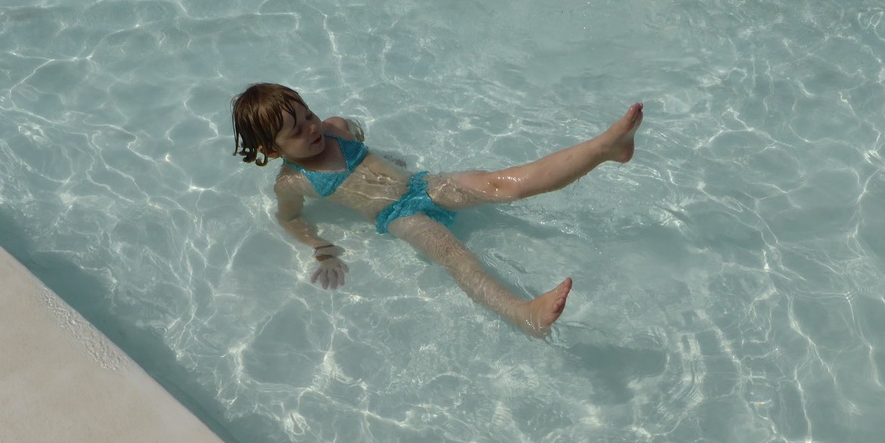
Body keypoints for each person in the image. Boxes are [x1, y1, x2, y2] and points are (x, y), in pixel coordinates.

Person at [230, 83, 642, 337]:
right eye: (296, 130)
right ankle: (523, 314)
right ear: (272, 150)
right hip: (397, 217)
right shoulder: (292, 183)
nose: (311, 127)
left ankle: (603, 148)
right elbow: (289, 218)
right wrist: (321, 249)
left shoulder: (336, 128)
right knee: (454, 255)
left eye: (308, 113)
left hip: (422, 185)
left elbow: (360, 134)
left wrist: (384, 157)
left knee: (502, 183)